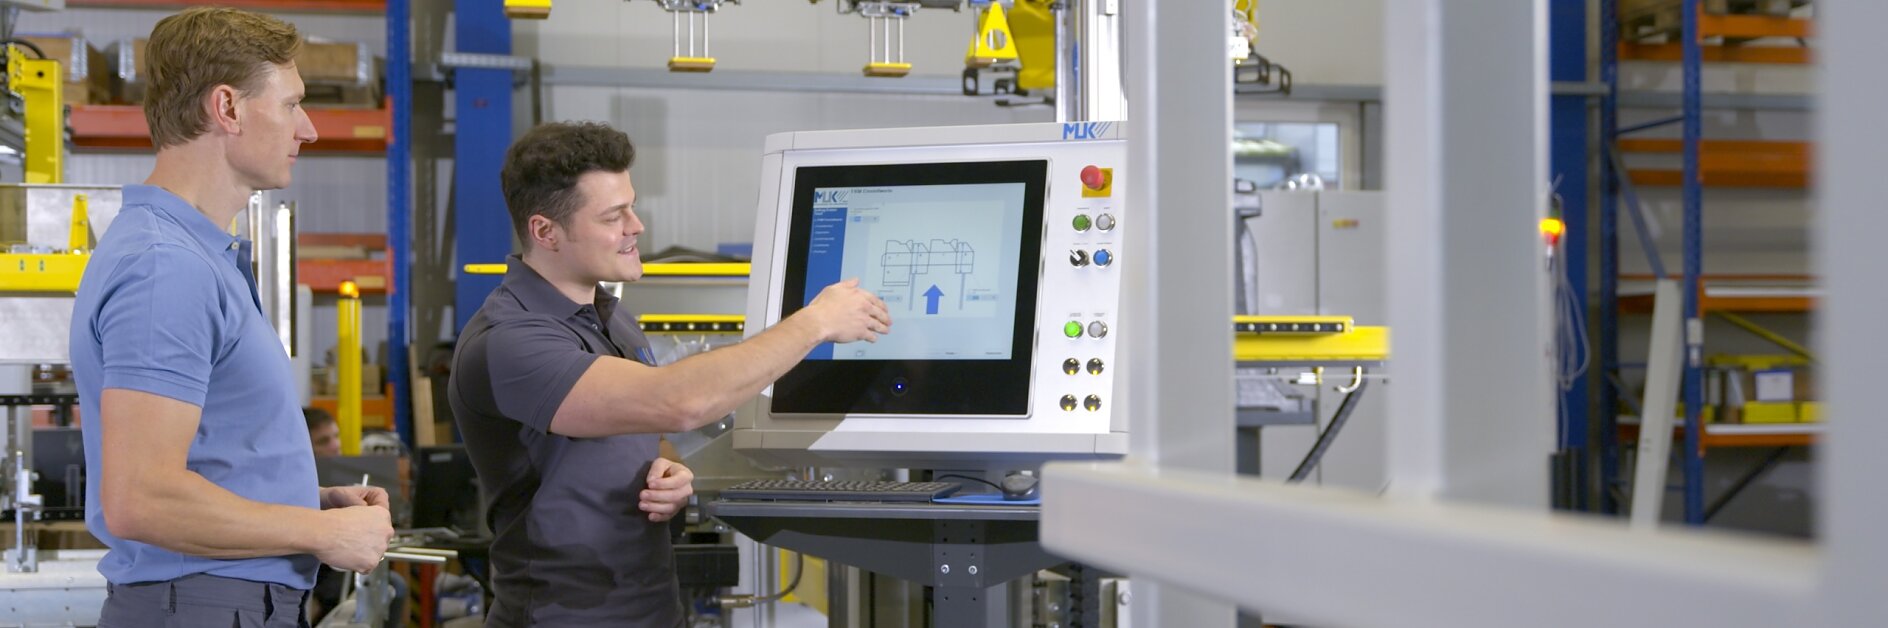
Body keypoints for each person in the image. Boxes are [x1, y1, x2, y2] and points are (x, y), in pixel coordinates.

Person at [448, 121, 891, 626]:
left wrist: (670, 472)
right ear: (545, 230)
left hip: (654, 609)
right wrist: (815, 322)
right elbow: (678, 403)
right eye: (614, 216)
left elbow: (647, 433)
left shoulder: (612, 318)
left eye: (631, 206)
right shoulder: (511, 341)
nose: (636, 226)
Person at [69, 8, 393, 627]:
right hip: (202, 605)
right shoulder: (168, 267)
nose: (310, 130)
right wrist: (320, 533)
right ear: (228, 108)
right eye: (292, 104)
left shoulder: (192, 256)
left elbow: (202, 460)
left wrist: (309, 502)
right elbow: (142, 499)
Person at [303, 407, 409, 626]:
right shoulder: (300, 485)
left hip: (342, 570)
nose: (335, 445)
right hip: (318, 574)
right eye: (323, 441)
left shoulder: (348, 478)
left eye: (335, 436)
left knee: (394, 585)